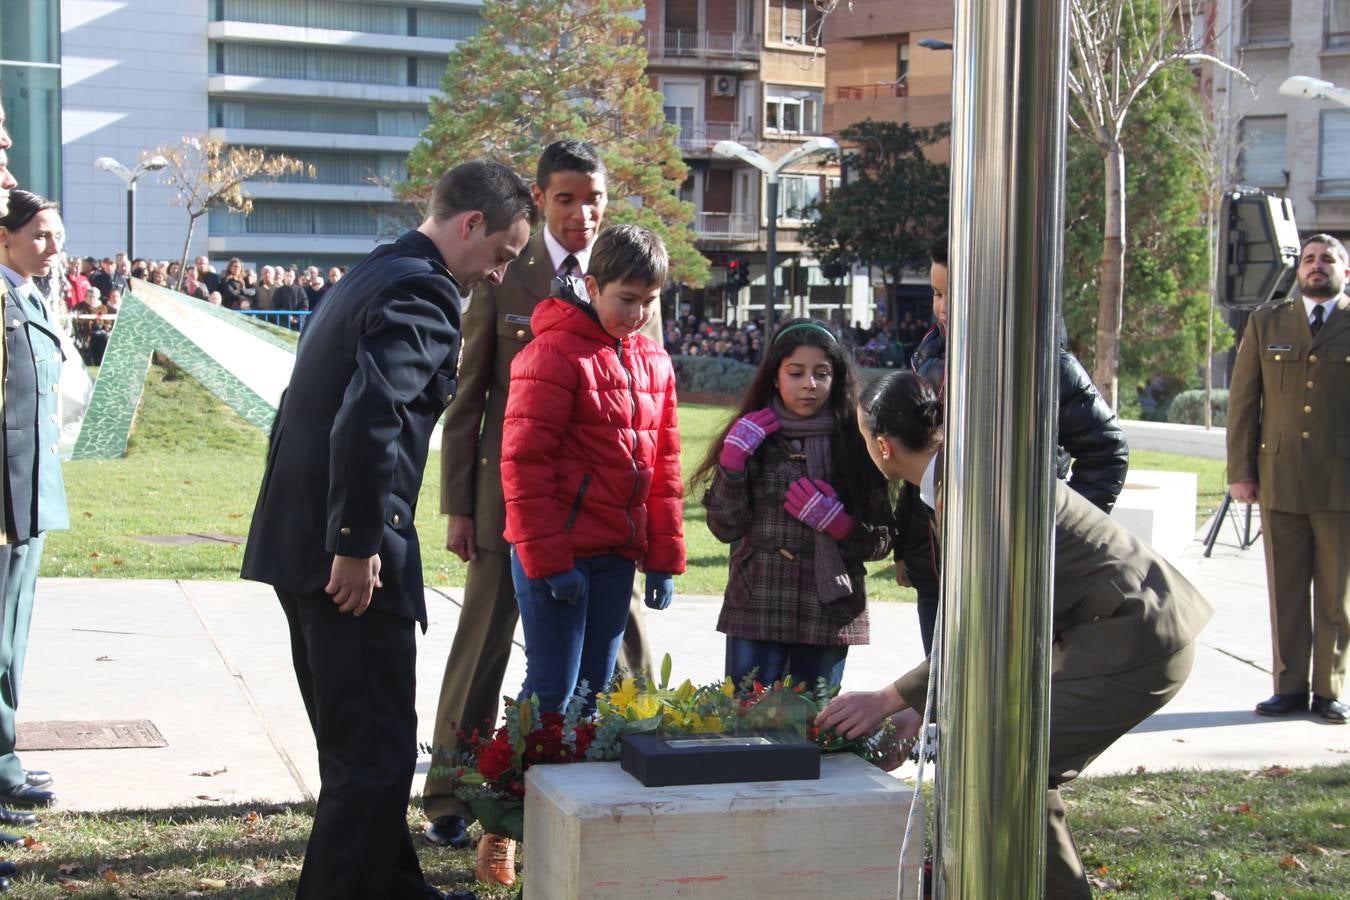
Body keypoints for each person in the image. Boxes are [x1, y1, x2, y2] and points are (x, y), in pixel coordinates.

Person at [239, 161, 535, 900]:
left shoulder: (377, 268)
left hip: (299, 539)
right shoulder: (423, 288)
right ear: (470, 225)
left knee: (362, 748)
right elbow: (370, 420)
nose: (498, 277)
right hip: (343, 552)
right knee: (371, 758)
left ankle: (398, 888)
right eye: (500, 255)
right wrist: (355, 542)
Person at [818, 371, 1213, 899]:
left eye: (865, 438)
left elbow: (982, 630)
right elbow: (995, 629)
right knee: (1003, 763)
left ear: (883, 446)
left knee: (1004, 762)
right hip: (1120, 630)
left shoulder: (970, 493)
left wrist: (889, 700)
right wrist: (922, 708)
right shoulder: (960, 478)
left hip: (1136, 637)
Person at [421, 139, 660, 854]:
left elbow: (648, 395)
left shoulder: (630, 270)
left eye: (594, 198)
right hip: (513, 506)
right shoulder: (503, 269)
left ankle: (625, 773)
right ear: (540, 198)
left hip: (608, 516)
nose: (582, 213)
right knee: (485, 646)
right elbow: (469, 399)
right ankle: (453, 793)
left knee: (623, 654)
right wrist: (461, 505)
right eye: (565, 198)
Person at [897, 238, 1129, 653]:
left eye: (954, 293)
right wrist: (905, 547)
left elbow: (1107, 450)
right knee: (936, 691)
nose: (943, 306)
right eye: (936, 293)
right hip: (934, 564)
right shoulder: (929, 355)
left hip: (1008, 568)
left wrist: (1057, 532)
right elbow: (915, 460)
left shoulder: (1042, 362)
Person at [691, 319, 892, 689]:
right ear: (775, 376)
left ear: (836, 379)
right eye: (795, 373)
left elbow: (881, 541)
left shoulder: (856, 443)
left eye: (822, 373)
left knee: (814, 726)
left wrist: (840, 524)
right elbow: (725, 527)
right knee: (747, 721)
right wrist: (733, 464)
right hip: (758, 601)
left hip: (829, 608)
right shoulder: (754, 434)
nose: (809, 385)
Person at [1228, 233, 1350, 724]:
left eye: (1328, 259)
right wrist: (1241, 472)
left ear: (1345, 271)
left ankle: (1330, 690)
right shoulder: (1267, 321)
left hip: (1341, 482)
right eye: (1309, 260)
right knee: (1286, 590)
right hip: (1278, 478)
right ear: (1299, 270)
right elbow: (1243, 402)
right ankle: (1289, 687)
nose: (1317, 266)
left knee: (1337, 593)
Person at [0, 191, 68, 817]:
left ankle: (4, 763)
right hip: (3, 500)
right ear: (5, 237)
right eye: (41, 235)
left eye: (58, 235)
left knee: (11, 641)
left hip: (28, 496)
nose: (53, 247)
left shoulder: (26, 294)